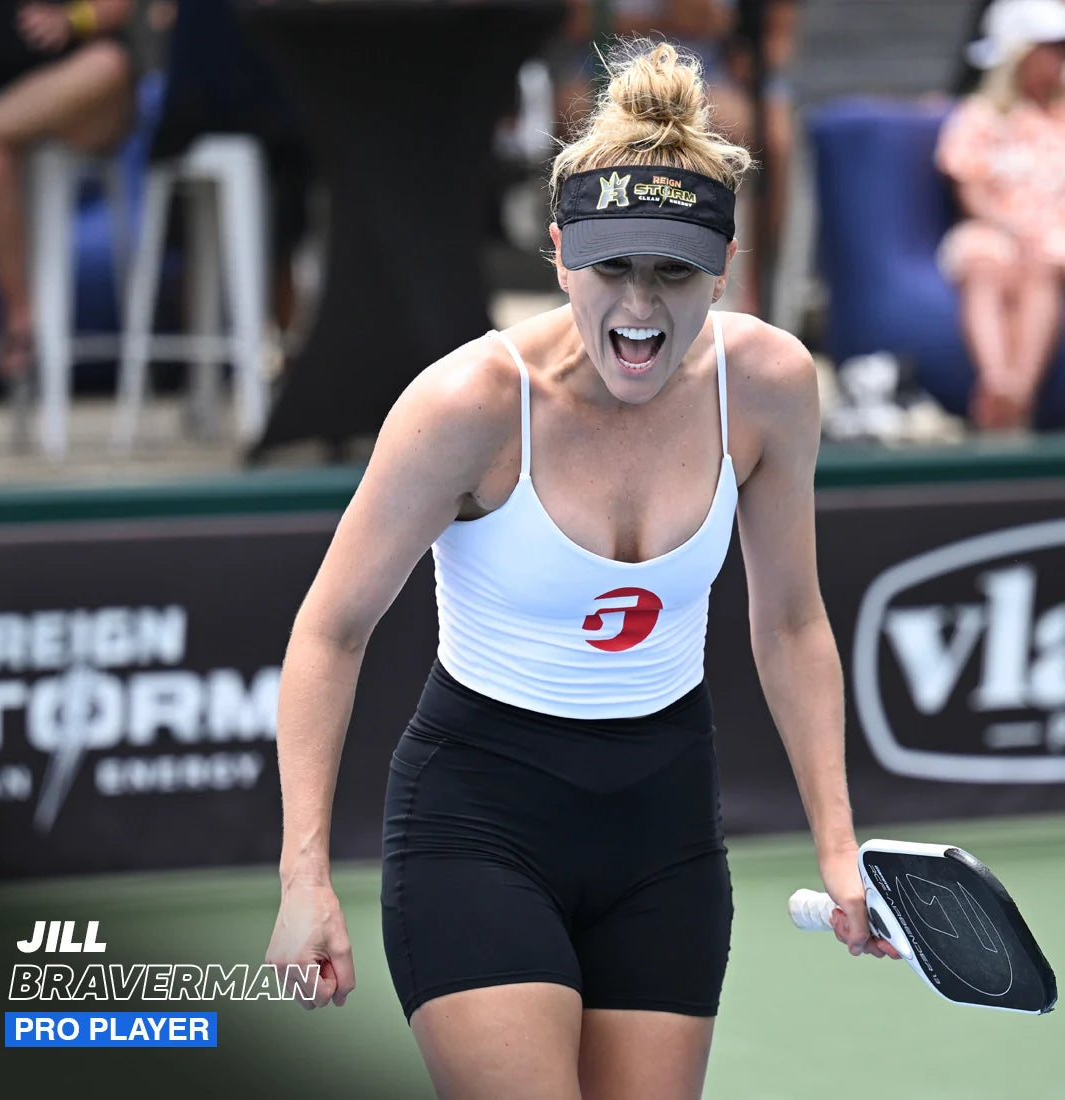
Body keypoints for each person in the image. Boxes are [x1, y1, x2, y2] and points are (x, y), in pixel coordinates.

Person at [266, 38, 895, 1100]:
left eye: (673, 271)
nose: (639, 307)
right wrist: (302, 878)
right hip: (476, 825)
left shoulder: (769, 384)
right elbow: (330, 630)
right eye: (611, 268)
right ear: (559, 254)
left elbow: (790, 620)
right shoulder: (466, 405)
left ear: (723, 268)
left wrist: (838, 848)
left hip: (665, 832)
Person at [0, 0, 137, 384]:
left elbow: (119, 8)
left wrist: (73, 19)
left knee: (107, 65)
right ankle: (21, 318)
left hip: (72, 96)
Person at [935, 0, 1065, 430]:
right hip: (996, 228)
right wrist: (1014, 228)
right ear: (1019, 54)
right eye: (1052, 47)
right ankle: (997, 380)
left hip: (1052, 235)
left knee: (1043, 265)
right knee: (985, 262)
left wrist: (1038, 231)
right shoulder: (979, 116)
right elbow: (971, 191)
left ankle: (1018, 391)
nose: (1060, 58)